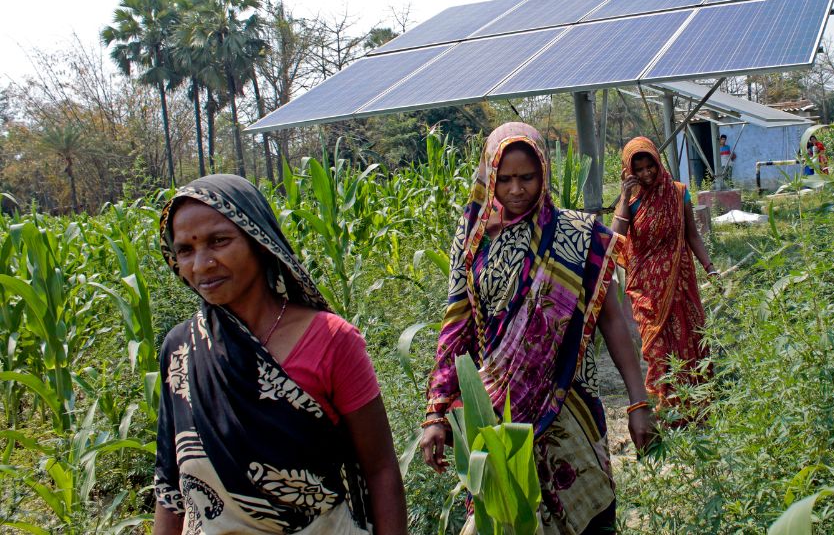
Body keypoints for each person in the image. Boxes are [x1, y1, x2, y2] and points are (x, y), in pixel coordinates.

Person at [420, 123, 653, 535]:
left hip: (570, 406)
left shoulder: (577, 236)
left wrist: (638, 402)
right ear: (488, 176)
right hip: (497, 413)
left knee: (590, 519)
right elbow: (455, 326)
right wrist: (436, 412)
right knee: (509, 517)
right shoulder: (473, 238)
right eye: (504, 179)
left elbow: (613, 319)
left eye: (526, 177)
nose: (514, 190)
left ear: (543, 172)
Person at [154, 174, 407, 535]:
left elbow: (380, 468)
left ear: (258, 241)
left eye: (219, 241)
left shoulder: (332, 341)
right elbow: (170, 485)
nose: (201, 264)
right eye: (185, 250)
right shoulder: (181, 349)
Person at [611, 137, 715, 410]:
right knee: (656, 348)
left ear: (658, 163)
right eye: (639, 169)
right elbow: (616, 237)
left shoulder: (678, 193)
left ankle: (696, 406)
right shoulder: (631, 202)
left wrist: (710, 268)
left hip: (680, 283)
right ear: (629, 171)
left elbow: (692, 235)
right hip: (646, 289)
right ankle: (664, 409)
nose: (646, 174)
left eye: (650, 167)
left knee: (690, 341)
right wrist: (624, 198)